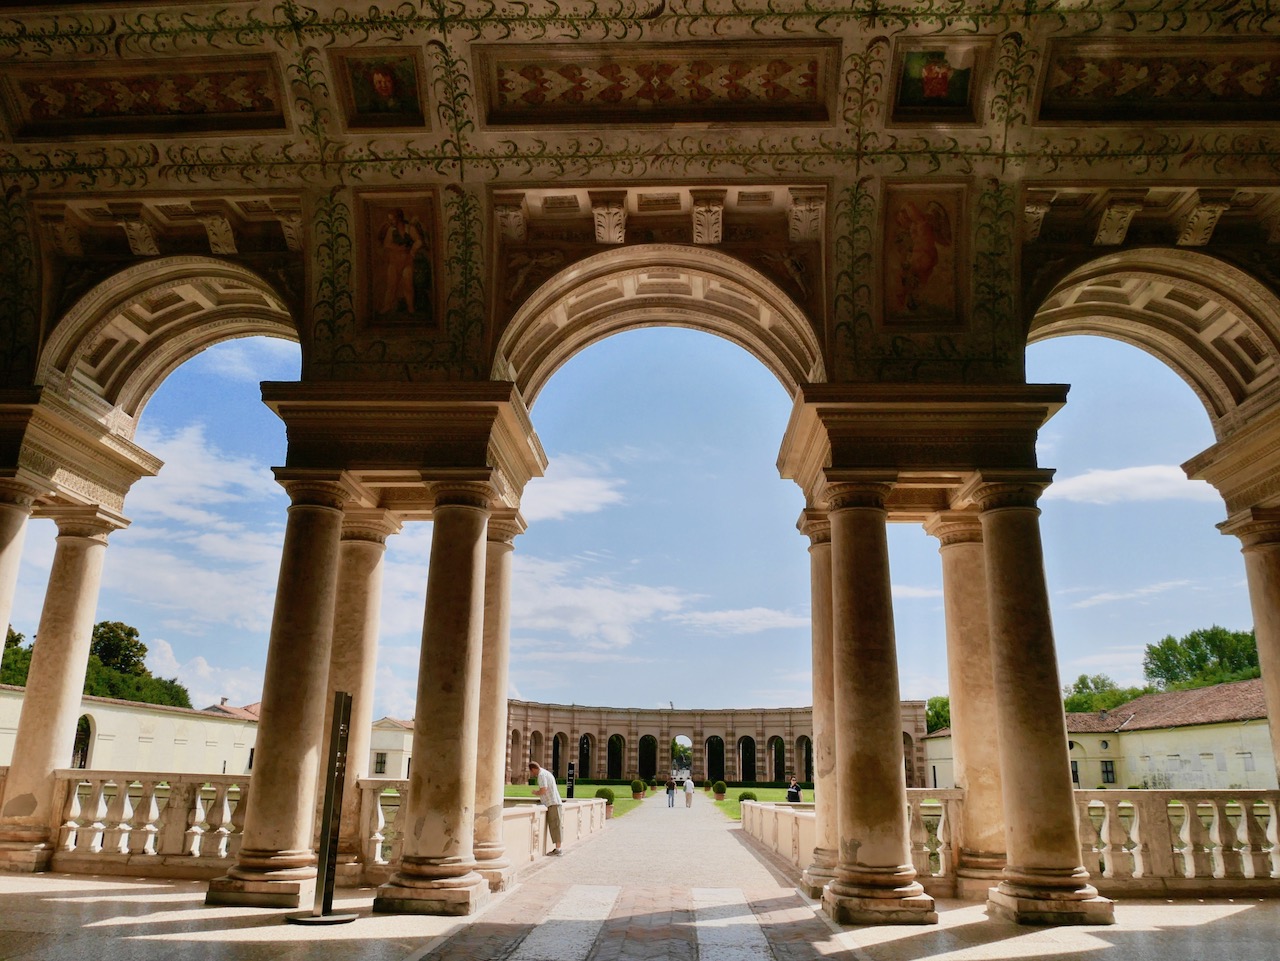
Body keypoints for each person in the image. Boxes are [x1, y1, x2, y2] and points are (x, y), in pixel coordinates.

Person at [529, 761, 563, 855]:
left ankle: (558, 849)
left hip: (552, 803)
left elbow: (544, 789)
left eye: (532, 772)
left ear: (533, 769)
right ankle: (558, 848)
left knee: (555, 826)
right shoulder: (545, 772)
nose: (533, 774)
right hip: (554, 802)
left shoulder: (541, 775)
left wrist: (536, 792)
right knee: (556, 825)